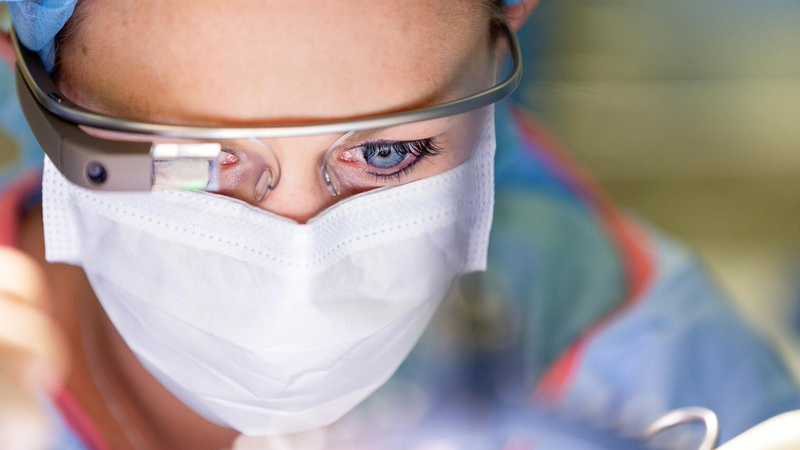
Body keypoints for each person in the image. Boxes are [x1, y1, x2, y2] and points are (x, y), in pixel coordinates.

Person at [0, 1, 797, 449]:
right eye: (193, 161)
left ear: (498, 56)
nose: (297, 249)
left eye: (386, 153)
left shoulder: (644, 362)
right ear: (33, 83)